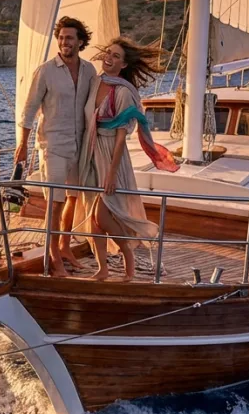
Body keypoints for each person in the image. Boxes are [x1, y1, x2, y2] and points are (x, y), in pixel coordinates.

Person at [79, 37, 179, 281]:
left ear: (123, 65)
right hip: (92, 154)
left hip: (113, 157)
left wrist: (112, 174)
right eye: (108, 53)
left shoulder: (122, 91)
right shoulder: (95, 82)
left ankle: (129, 261)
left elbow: (121, 139)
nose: (109, 58)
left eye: (115, 56)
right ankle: (102, 268)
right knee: (93, 223)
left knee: (102, 216)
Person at [16, 16, 97, 277]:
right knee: (55, 202)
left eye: (69, 38)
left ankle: (64, 246)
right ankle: (53, 257)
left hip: (80, 144)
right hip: (53, 144)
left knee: (73, 198)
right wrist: (23, 144)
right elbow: (29, 110)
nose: (64, 42)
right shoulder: (46, 71)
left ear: (80, 41)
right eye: (61, 37)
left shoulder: (89, 71)